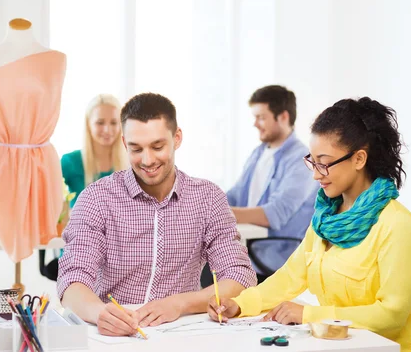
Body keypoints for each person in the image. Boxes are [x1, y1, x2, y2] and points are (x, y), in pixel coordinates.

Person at [208, 97, 411, 352]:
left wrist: (309, 315)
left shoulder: (397, 224)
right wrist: (239, 304)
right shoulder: (325, 219)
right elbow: (290, 277)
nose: (315, 174)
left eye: (324, 163)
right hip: (344, 345)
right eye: (312, 161)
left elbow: (391, 316)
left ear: (359, 159)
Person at [58, 92, 256, 337]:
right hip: (112, 337)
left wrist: (180, 303)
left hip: (182, 333)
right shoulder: (96, 198)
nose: (147, 160)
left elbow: (240, 276)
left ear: (177, 138)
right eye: (136, 149)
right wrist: (99, 312)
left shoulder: (208, 198)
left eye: (157, 146)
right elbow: (72, 280)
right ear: (124, 143)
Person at [219, 85, 318, 283]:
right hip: (249, 246)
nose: (255, 123)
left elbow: (275, 213)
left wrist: (223, 213)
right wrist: (208, 203)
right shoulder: (259, 153)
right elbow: (236, 194)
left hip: (276, 254)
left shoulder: (301, 159)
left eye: (261, 117)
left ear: (283, 117)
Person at [39, 94, 128, 280]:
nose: (107, 129)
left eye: (114, 122)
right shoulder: (70, 162)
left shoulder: (129, 164)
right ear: (89, 124)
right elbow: (49, 204)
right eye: (100, 122)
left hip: (120, 256)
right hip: (80, 254)